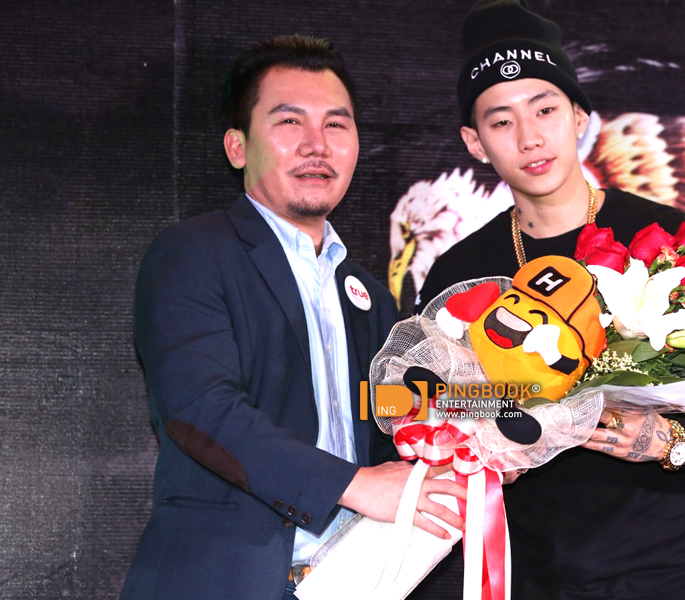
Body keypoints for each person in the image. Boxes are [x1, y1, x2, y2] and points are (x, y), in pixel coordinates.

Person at [413, 2, 685, 599]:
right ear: (474, 143)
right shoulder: (459, 273)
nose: (530, 137)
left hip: (671, 575)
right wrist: (495, 422)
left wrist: (668, 440)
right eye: (501, 122)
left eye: (545, 110)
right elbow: (422, 406)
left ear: (579, 117)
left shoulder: (673, 241)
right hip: (532, 576)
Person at [120, 35, 465, 600]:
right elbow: (201, 409)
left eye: (336, 125)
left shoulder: (370, 296)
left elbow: (390, 413)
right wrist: (353, 484)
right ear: (237, 147)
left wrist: (486, 435)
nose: (316, 145)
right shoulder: (193, 254)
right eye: (289, 121)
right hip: (226, 582)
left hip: (353, 581)